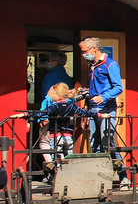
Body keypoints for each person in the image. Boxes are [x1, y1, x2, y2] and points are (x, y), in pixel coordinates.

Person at [78, 37, 127, 184]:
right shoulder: (92, 65)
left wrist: (103, 97)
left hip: (106, 108)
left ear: (94, 49)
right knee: (96, 144)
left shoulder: (110, 65)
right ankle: (101, 178)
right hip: (94, 109)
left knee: (108, 142)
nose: (84, 55)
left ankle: (123, 177)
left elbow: (118, 87)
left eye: (85, 52)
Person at [36, 82, 96, 173]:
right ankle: (70, 172)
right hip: (68, 134)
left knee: (55, 153)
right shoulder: (71, 104)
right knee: (69, 153)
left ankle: (56, 172)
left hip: (56, 135)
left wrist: (28, 115)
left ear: (58, 95)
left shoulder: (53, 105)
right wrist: (99, 114)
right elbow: (84, 112)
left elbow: (43, 112)